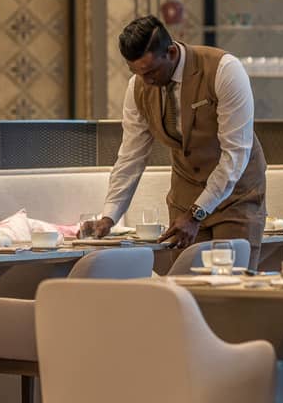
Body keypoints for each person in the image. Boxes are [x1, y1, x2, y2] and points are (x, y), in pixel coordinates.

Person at [83, 16, 267, 259]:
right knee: (186, 287)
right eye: (137, 72)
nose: (146, 81)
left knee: (230, 288)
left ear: (170, 52)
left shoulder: (224, 70)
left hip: (236, 198)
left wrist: (196, 214)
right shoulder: (138, 86)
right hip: (184, 200)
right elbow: (130, 157)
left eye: (151, 71)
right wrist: (109, 216)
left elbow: (235, 154)